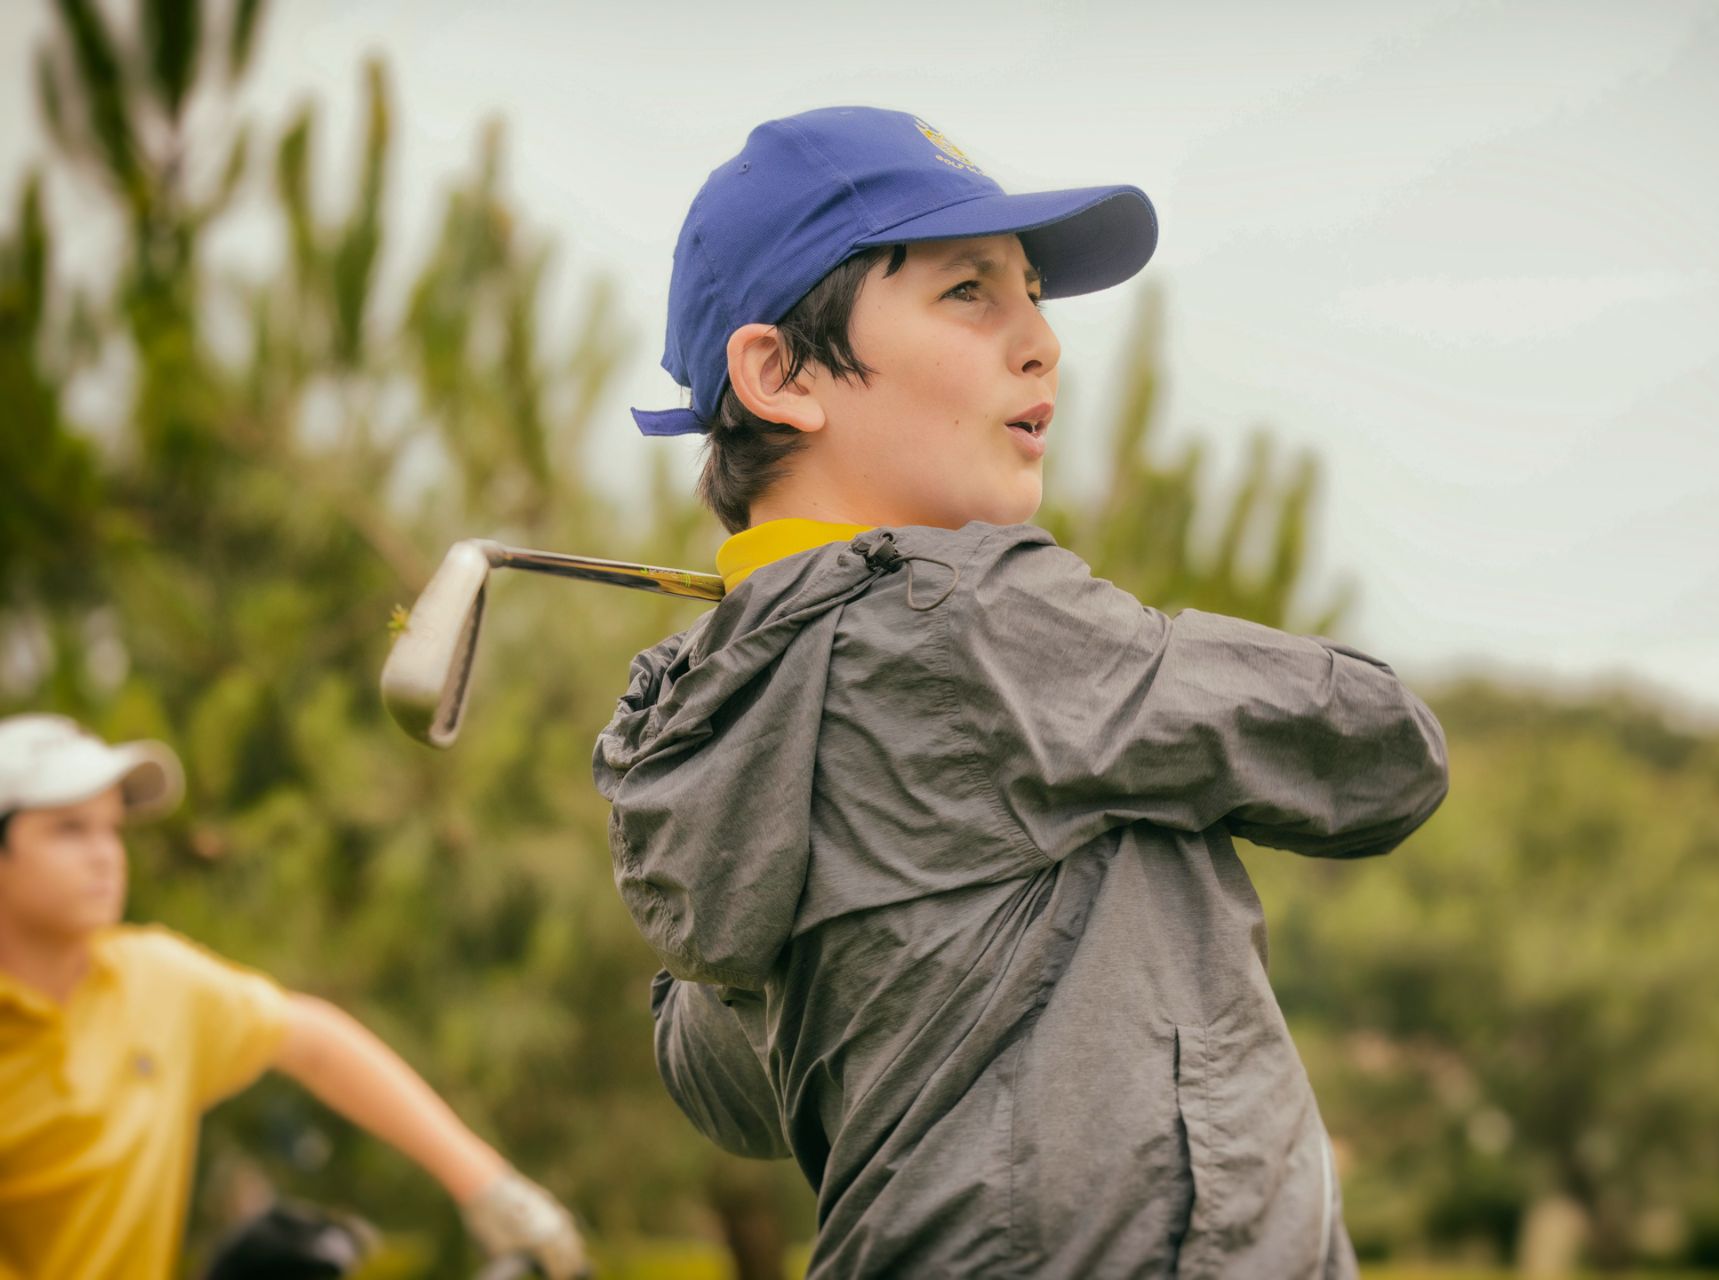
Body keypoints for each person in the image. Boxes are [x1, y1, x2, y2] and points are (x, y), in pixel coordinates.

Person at [594, 106, 1450, 1277]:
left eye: (1032, 293)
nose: (1041, 340)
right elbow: (1386, 752)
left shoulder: (711, 712)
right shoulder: (976, 613)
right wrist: (1144, 658)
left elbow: (722, 1088)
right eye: (968, 291)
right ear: (779, 373)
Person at [0, 713, 587, 1280]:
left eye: (112, 828)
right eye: (69, 829)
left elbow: (315, 1042)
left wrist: (489, 1187)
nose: (106, 854)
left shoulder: (155, 981)